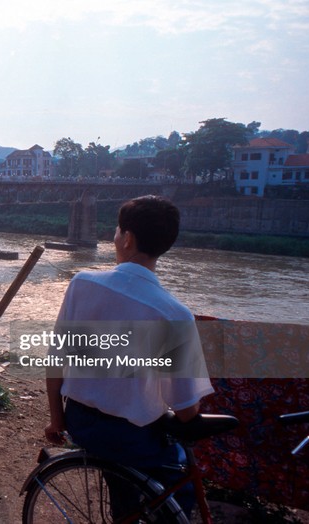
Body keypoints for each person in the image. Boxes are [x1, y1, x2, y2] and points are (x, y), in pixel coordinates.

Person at [44, 195, 213, 517]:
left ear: (128, 238)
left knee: (123, 486)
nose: (114, 237)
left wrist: (56, 419)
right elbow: (188, 411)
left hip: (80, 421)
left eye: (117, 230)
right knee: (181, 489)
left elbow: (56, 359)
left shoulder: (82, 283)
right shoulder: (174, 314)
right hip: (130, 438)